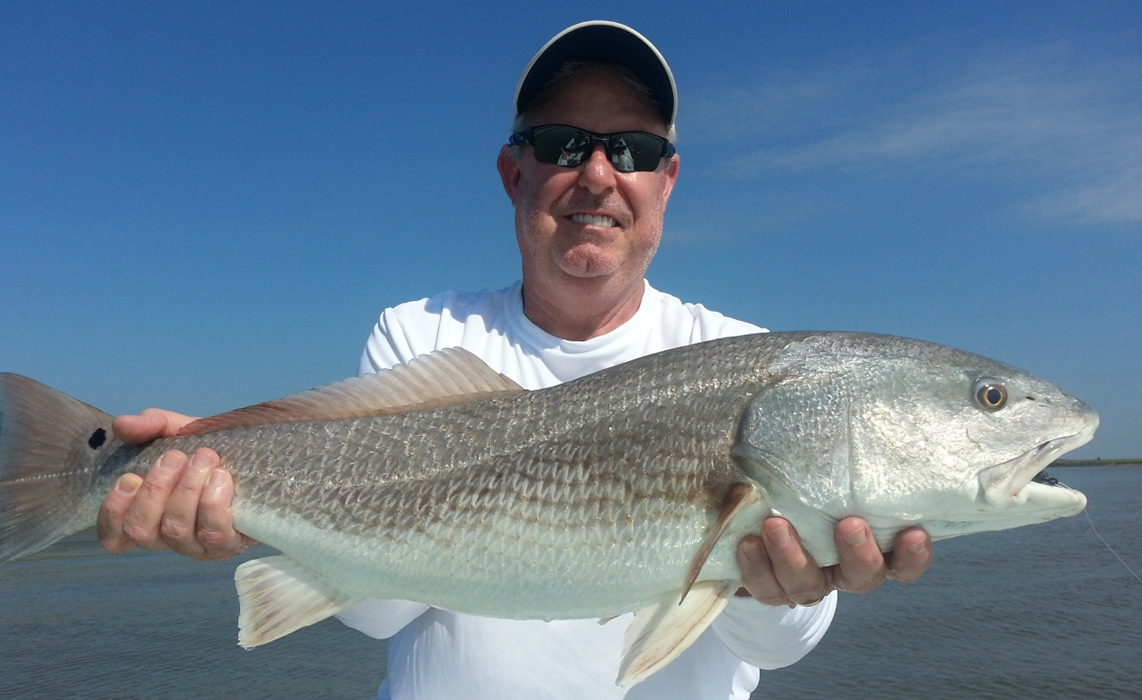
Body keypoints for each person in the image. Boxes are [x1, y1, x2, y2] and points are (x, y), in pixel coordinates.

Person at [97, 21, 933, 700]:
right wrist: (226, 484)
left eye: (633, 151)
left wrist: (765, 587)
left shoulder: (737, 352)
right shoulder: (423, 332)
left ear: (668, 180)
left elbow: (779, 650)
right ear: (512, 173)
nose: (598, 174)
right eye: (563, 144)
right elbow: (378, 617)